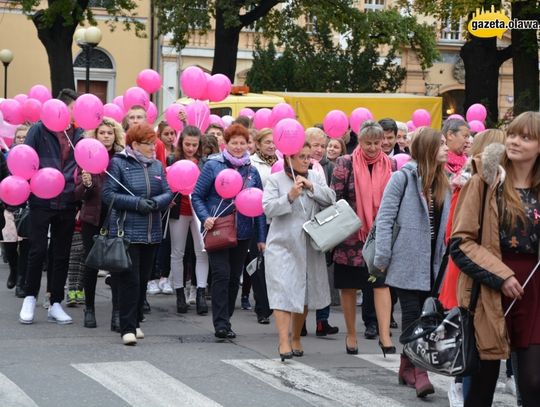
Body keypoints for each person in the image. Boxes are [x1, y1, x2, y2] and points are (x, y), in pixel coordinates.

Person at [450, 111, 540, 407]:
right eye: (512, 134)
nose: (514, 141)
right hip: (487, 293)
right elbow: (461, 242)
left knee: (533, 383)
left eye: (525, 137)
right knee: (480, 388)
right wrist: (502, 276)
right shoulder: (485, 180)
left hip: (535, 293)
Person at [374, 127, 451, 398]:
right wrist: (382, 257)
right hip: (406, 258)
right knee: (411, 313)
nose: (446, 148)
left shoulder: (444, 180)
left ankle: (406, 367)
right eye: (440, 144)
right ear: (429, 148)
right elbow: (384, 219)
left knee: (427, 314)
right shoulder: (402, 178)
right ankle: (421, 373)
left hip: (433, 263)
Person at [438, 129, 506, 407]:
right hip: (468, 273)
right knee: (469, 344)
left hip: (483, 271)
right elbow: (452, 235)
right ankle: (459, 387)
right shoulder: (468, 184)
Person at [192, 123, 266, 339]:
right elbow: (197, 195)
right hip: (218, 228)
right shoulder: (213, 166)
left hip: (243, 231)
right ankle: (221, 324)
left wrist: (261, 237)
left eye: (243, 143)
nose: (238, 147)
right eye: (234, 143)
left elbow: (258, 205)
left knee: (234, 277)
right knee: (221, 275)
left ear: (248, 145)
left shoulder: (252, 171)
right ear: (226, 143)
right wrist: (205, 218)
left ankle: (227, 318)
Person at [263, 141, 336, 360]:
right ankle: (283, 342)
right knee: (282, 290)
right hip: (282, 244)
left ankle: (296, 337)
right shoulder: (275, 180)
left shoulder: (314, 177)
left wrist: (312, 188)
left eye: (308, 157)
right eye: (301, 157)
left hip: (309, 245)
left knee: (303, 293)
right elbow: (267, 208)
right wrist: (290, 196)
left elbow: (332, 199)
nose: (306, 160)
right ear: (289, 159)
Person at [19, 89, 85, 325]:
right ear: (62, 107)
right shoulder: (39, 129)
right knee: (37, 250)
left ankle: (55, 301)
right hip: (41, 198)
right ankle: (29, 297)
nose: (77, 114)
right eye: (73, 109)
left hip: (67, 200)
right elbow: (25, 159)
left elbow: (83, 162)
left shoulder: (79, 133)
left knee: (61, 253)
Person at [102, 123, 172, 345]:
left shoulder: (158, 166)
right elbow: (109, 195)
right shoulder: (119, 164)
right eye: (148, 144)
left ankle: (137, 321)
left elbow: (168, 193)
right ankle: (127, 328)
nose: (153, 148)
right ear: (135, 144)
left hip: (152, 232)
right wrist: (137, 203)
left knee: (142, 280)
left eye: (154, 143)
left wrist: (155, 203)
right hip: (127, 232)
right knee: (129, 280)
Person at [331, 121, 394, 356]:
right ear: (360, 142)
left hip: (378, 235)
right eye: (368, 143)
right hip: (350, 235)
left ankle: (385, 336)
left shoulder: (391, 163)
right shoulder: (344, 163)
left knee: (380, 284)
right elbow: (334, 198)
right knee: (349, 287)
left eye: (378, 143)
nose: (373, 147)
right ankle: (351, 333)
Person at [75, 117, 125, 328]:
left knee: (116, 265)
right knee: (91, 263)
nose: (106, 136)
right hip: (92, 218)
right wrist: (85, 185)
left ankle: (116, 313)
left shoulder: (122, 159)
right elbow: (77, 195)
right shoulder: (87, 157)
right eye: (102, 132)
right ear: (95, 135)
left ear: (115, 136)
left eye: (109, 132)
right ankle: (89, 309)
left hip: (115, 217)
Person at [168, 125, 209, 315]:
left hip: (199, 211)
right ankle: (179, 294)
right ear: (181, 143)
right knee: (178, 252)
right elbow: (165, 184)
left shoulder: (204, 162)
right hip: (179, 210)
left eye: (194, 145)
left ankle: (201, 292)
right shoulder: (172, 159)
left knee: (202, 251)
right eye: (187, 144)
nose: (190, 148)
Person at [305, 127, 339, 336]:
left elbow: (332, 196)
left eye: (323, 146)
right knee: (303, 275)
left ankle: (322, 320)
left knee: (322, 275)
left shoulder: (330, 167)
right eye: (315, 145)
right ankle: (299, 321)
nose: (320, 150)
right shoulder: (296, 165)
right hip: (302, 225)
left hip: (323, 224)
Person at [248, 128, 277, 324]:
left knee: (275, 265)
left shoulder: (283, 161)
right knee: (259, 264)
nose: (272, 145)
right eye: (267, 142)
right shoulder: (251, 163)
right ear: (258, 144)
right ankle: (262, 307)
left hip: (278, 219)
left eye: (274, 142)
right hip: (258, 219)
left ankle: (276, 303)